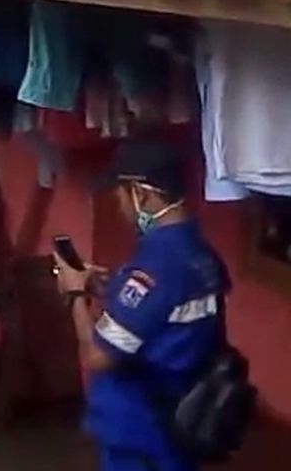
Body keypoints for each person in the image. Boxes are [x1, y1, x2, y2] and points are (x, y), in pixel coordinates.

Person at [54, 141, 230, 471]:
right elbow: (162, 316)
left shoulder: (154, 268)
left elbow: (99, 356)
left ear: (143, 194)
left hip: (140, 431)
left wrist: (76, 295)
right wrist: (109, 289)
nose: (121, 205)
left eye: (122, 194)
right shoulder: (204, 256)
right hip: (182, 417)